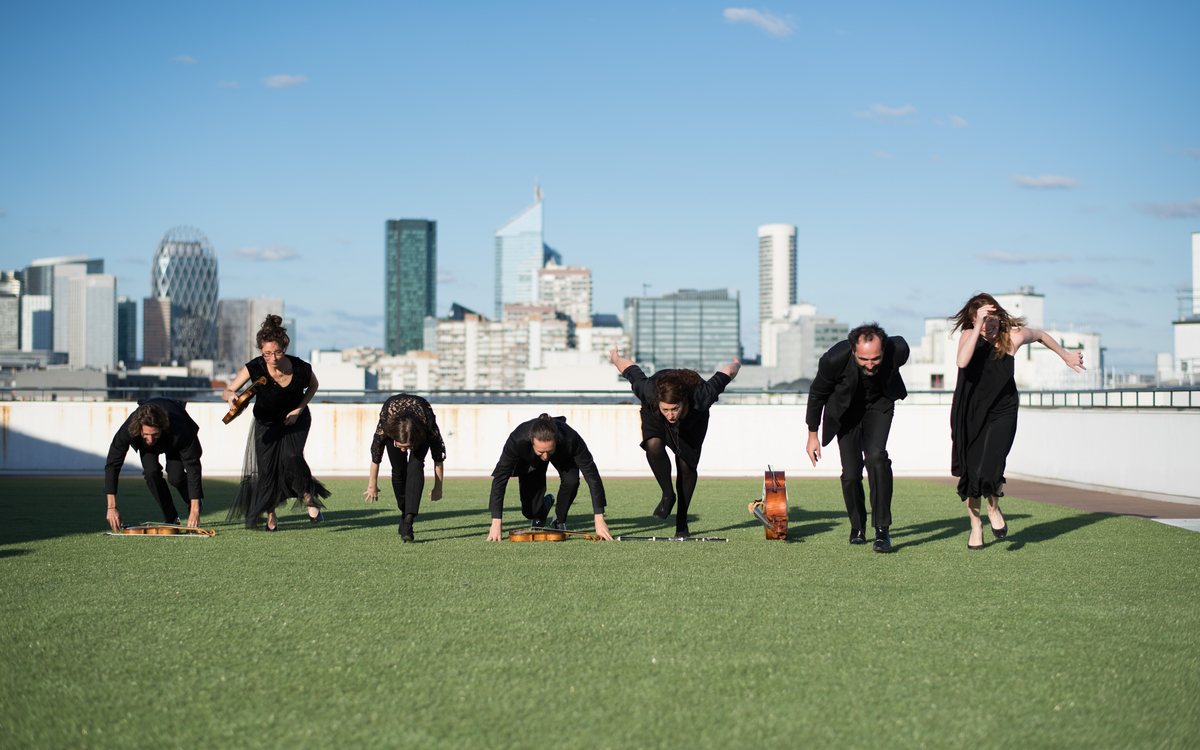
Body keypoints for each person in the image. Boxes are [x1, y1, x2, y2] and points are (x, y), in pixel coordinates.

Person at [950, 294, 1085, 549]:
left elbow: (1041, 335)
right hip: (970, 411)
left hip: (1003, 410)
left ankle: (993, 509)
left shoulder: (1013, 337)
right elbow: (962, 362)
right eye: (981, 320)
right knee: (972, 474)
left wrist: (1065, 355)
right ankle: (975, 524)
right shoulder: (969, 336)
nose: (987, 326)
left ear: (1000, 317)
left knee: (991, 468)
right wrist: (977, 325)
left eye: (992, 319)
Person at [608, 348, 741, 538]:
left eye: (675, 409)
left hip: (692, 422)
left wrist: (737, 363)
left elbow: (728, 372)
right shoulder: (648, 391)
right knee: (653, 444)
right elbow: (628, 369)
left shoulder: (701, 396)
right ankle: (668, 494)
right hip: (654, 416)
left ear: (683, 403)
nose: (671, 414)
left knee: (686, 467)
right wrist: (616, 358)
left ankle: (681, 522)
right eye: (667, 409)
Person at [806, 323, 909, 552]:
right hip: (846, 413)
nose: (870, 365)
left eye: (876, 359)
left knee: (876, 458)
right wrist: (812, 435)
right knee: (851, 474)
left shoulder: (899, 348)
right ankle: (858, 527)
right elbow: (817, 395)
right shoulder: (833, 359)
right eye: (864, 360)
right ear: (853, 350)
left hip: (879, 406)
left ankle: (882, 530)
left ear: (883, 349)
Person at [223, 315, 330, 531]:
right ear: (261, 351)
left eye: (278, 352)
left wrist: (298, 410)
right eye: (267, 353)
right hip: (266, 421)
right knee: (267, 470)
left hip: (296, 419)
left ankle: (308, 496)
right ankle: (271, 514)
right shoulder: (254, 367)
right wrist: (230, 397)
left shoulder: (301, 367)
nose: (272, 358)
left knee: (292, 457)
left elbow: (313, 386)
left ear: (285, 347)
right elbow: (227, 390)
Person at [486, 413, 613, 542]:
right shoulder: (517, 439)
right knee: (530, 512)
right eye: (541, 451)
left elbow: (592, 475)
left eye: (549, 451)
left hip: (562, 454)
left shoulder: (571, 438)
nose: (546, 456)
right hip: (532, 461)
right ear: (531, 441)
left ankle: (559, 519)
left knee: (572, 481)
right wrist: (496, 522)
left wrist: (599, 519)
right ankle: (544, 506)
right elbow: (500, 478)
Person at [104, 398, 204, 532]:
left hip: (173, 438)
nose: (150, 439)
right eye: (146, 434)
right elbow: (113, 463)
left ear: (161, 428)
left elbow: (194, 467)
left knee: (176, 477)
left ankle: (191, 502)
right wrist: (111, 507)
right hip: (145, 441)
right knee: (151, 473)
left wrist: (195, 511)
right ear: (139, 429)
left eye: (154, 434)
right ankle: (171, 518)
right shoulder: (130, 428)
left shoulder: (179, 428)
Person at [363, 394, 446, 542]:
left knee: (416, 465)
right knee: (399, 470)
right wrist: (372, 485)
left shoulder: (428, 425)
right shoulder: (386, 426)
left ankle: (408, 521)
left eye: (407, 447)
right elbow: (376, 457)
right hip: (394, 424)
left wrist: (438, 488)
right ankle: (405, 511)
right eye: (401, 447)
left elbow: (438, 458)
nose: (404, 450)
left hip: (419, 428)